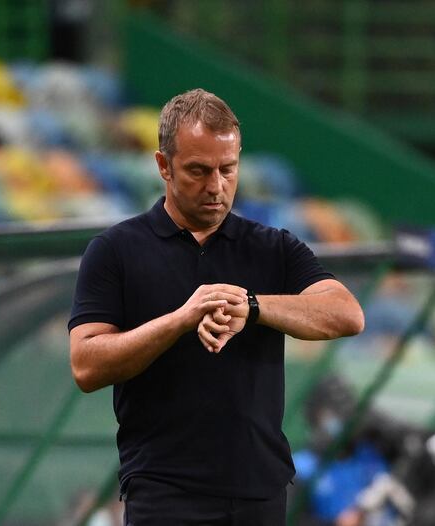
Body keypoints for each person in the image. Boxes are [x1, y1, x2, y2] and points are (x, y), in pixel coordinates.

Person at [68, 88, 365, 525]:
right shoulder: (116, 251)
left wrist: (254, 306)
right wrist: (181, 320)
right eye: (198, 171)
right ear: (163, 166)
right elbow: (85, 365)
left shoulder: (272, 248)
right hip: (163, 492)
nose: (216, 186)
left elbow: (347, 314)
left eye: (228, 169)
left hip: (259, 493)